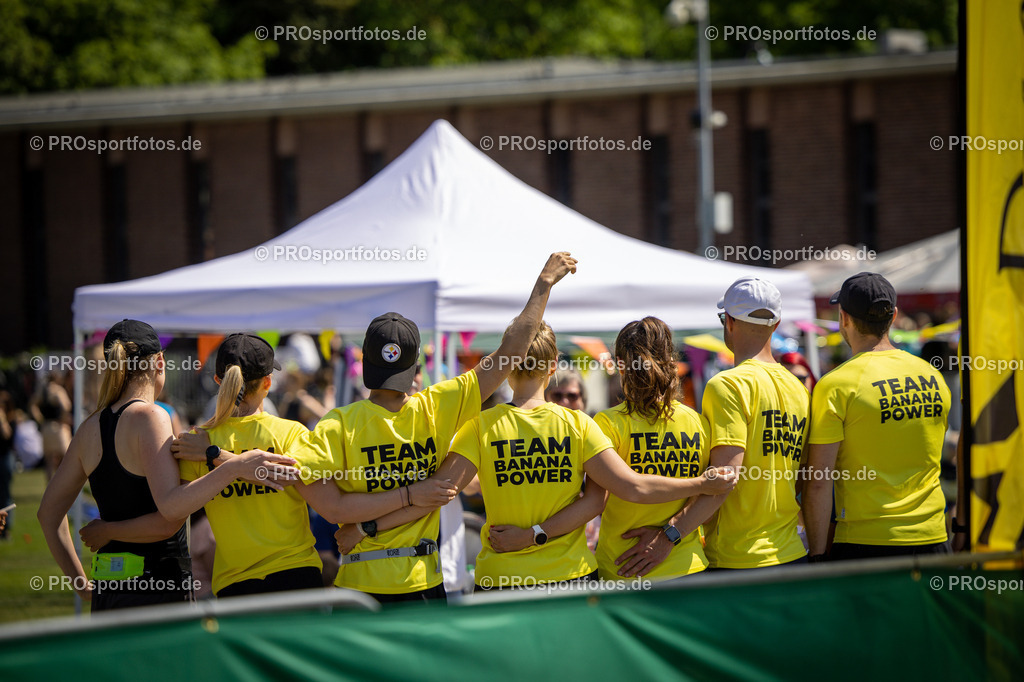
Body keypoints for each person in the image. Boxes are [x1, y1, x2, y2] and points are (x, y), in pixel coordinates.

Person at [336, 321, 738, 591]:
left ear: (507, 367)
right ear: (554, 366)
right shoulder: (579, 425)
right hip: (573, 576)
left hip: (503, 579)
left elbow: (436, 492)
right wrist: (701, 484)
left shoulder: (481, 425)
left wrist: (369, 528)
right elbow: (614, 493)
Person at [293, 252, 580, 603]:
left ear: (365, 360)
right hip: (423, 584)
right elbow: (511, 351)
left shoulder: (337, 423)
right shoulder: (438, 405)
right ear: (416, 364)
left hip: (359, 587)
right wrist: (543, 285)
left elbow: (331, 507)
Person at [165, 333, 459, 598]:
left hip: (235, 585)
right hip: (296, 577)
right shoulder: (290, 434)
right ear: (268, 383)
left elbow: (174, 510)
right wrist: (406, 496)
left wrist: (217, 456)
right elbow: (332, 508)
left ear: (218, 381)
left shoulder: (196, 442)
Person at [38, 320, 284, 610]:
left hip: (108, 587)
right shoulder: (152, 417)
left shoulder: (89, 427)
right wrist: (233, 467)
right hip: (158, 587)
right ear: (159, 362)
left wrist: (82, 586)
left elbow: (47, 514)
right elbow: (168, 520)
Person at [805, 273, 952, 561]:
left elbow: (819, 480)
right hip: (934, 538)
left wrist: (817, 555)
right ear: (894, 316)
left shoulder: (836, 385)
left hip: (866, 542)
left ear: (844, 318)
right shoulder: (932, 375)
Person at [593, 317, 716, 581]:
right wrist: (671, 533)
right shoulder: (697, 421)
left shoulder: (606, 423)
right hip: (687, 564)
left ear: (620, 365)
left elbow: (615, 493)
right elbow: (711, 496)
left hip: (623, 567)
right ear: (671, 360)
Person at [701, 277, 810, 569]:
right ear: (776, 325)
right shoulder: (800, 388)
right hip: (791, 551)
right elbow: (805, 476)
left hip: (739, 558)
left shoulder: (727, 385)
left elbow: (725, 479)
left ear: (729, 322)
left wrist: (670, 534)